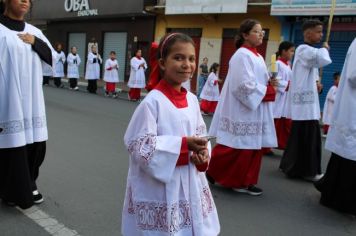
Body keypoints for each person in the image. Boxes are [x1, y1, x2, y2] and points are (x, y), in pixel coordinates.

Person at [121, 33, 220, 236]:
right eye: (178, 58)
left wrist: (202, 153)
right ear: (163, 63)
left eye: (191, 59)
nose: (187, 64)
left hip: (191, 180)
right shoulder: (152, 102)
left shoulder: (193, 100)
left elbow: (201, 133)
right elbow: (139, 146)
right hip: (161, 187)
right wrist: (183, 146)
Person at [206, 19, 278, 196]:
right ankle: (226, 177)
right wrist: (268, 90)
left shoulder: (258, 56)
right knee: (236, 147)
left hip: (255, 108)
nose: (261, 34)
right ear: (245, 35)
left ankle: (246, 180)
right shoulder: (241, 55)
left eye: (263, 31)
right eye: (257, 31)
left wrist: (269, 82)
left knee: (251, 147)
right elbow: (242, 86)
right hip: (242, 109)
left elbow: (257, 81)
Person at [0, 0, 53, 209]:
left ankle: (30, 182)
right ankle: (12, 189)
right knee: (12, 144)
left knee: (36, 143)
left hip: (32, 100)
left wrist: (35, 42)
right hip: (8, 99)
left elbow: (52, 58)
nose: (25, 1)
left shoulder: (34, 32)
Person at [279, 19, 332, 182]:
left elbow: (314, 68)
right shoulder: (303, 49)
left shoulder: (307, 51)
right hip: (305, 106)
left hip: (308, 103)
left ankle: (294, 167)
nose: (321, 35)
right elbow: (323, 59)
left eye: (322, 31)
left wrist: (317, 83)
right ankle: (307, 171)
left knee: (302, 138)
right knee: (307, 139)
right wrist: (324, 48)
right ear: (308, 33)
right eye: (318, 31)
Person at [315, 38, 356, 216]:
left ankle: (329, 188)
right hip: (352, 108)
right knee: (348, 155)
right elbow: (353, 76)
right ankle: (340, 199)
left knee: (346, 155)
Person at [273, 41, 295, 150]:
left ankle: (282, 144)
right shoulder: (276, 64)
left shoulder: (288, 65)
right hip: (278, 97)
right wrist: (288, 84)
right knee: (274, 121)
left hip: (286, 97)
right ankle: (267, 146)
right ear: (283, 51)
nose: (292, 54)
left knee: (284, 122)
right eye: (291, 51)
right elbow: (275, 79)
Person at [321, 72, 340, 137]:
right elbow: (330, 97)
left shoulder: (340, 89)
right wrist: (337, 100)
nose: (340, 80)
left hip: (335, 108)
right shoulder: (333, 88)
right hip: (331, 107)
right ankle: (326, 132)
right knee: (328, 120)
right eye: (338, 79)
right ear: (335, 80)